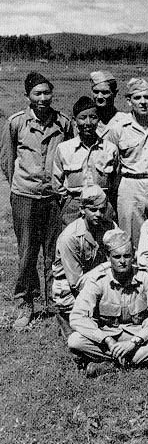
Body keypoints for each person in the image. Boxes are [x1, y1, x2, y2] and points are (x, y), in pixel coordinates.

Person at [1, 72, 74, 329]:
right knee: (27, 252)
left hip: (53, 197)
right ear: (27, 97)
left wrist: (59, 189)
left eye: (47, 93)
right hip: (25, 196)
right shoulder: (16, 123)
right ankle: (25, 302)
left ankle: (55, 302)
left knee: (55, 251)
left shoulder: (63, 123)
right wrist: (20, 187)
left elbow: (69, 156)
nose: (43, 98)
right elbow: (8, 160)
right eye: (37, 94)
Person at [67, 229, 148, 377]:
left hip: (139, 335)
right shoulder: (97, 281)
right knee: (75, 340)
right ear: (107, 257)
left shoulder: (147, 277)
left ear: (134, 255)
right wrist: (106, 339)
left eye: (127, 256)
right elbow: (77, 317)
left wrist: (135, 342)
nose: (122, 261)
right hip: (109, 337)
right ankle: (145, 360)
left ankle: (112, 364)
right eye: (117, 257)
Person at [106, 78, 148, 245]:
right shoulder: (118, 129)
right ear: (129, 101)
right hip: (130, 185)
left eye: (146, 97)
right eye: (137, 98)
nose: (143, 102)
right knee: (128, 238)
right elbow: (113, 166)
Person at [51, 185, 116, 331]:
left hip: (96, 280)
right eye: (93, 210)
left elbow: (121, 249)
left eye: (102, 210)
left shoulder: (109, 226)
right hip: (71, 288)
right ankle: (65, 316)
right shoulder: (70, 237)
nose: (98, 214)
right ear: (82, 210)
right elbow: (76, 283)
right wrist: (107, 267)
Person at [52, 95, 119, 225]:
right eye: (82, 118)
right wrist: (69, 201)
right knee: (72, 240)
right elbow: (56, 182)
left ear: (98, 119)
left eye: (93, 117)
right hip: (74, 205)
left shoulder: (110, 149)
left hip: (102, 205)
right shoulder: (64, 148)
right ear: (74, 120)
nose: (88, 123)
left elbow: (115, 181)